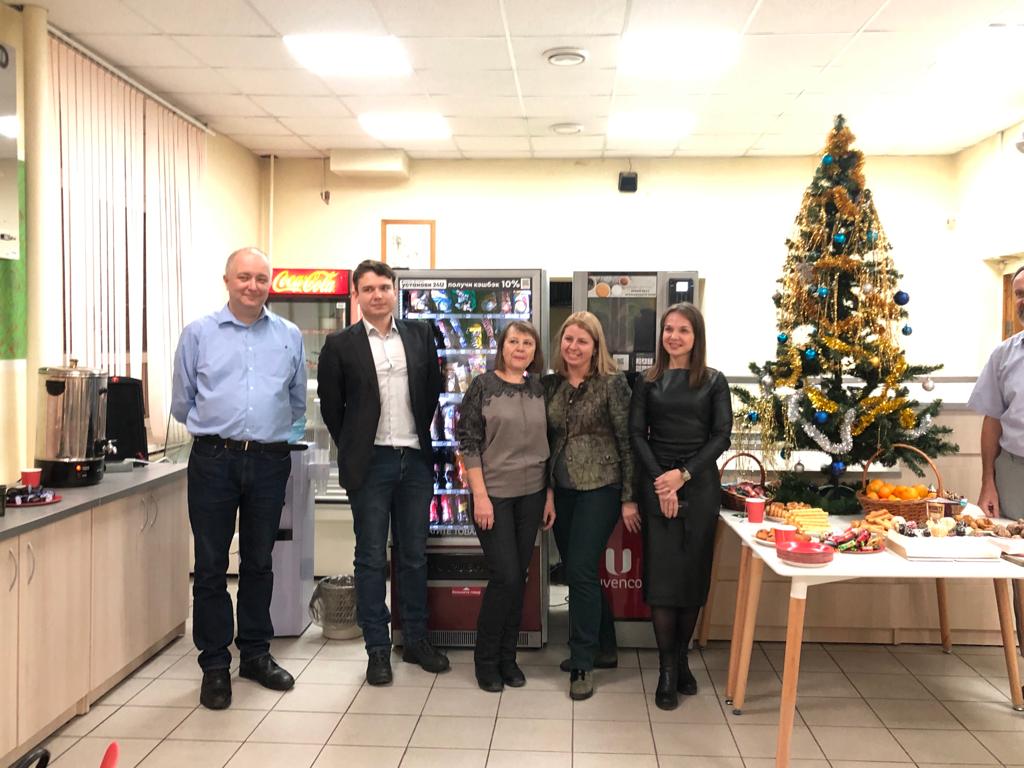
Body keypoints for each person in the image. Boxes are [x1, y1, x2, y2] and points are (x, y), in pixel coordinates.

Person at [170, 246, 305, 710]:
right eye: (244, 277)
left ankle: (255, 654)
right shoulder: (199, 334)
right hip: (214, 459)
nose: (253, 286)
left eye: (261, 278)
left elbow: (296, 400)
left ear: (271, 284)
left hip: (269, 460)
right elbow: (183, 401)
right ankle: (214, 665)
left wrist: (268, 434)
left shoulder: (288, 335)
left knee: (259, 561)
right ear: (227, 280)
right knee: (210, 565)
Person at [317, 259, 449, 685]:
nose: (377, 295)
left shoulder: (420, 334)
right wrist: (356, 445)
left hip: (414, 459)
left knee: (413, 555)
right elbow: (332, 408)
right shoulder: (340, 344)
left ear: (395, 291)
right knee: (371, 557)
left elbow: (431, 392)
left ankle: (415, 639)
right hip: (370, 463)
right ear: (356, 295)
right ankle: (377, 648)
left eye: (384, 287)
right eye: (369, 289)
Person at [629, 302, 732, 710]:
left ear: (696, 336)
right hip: (657, 485)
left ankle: (683, 659)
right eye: (668, 329)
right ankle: (667, 669)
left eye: (683, 330)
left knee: (691, 580)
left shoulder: (714, 381)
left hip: (699, 485)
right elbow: (637, 435)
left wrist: (683, 476)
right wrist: (663, 483)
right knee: (662, 582)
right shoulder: (647, 380)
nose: (673, 336)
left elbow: (721, 436)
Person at [456, 321, 556, 692]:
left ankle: (508, 659)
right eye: (513, 341)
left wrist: (548, 494)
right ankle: (485, 661)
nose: (520, 348)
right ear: (502, 346)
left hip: (532, 495)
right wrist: (480, 496)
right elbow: (468, 442)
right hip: (493, 495)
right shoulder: (483, 385)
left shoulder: (539, 388)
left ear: (534, 351)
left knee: (519, 579)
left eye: (527, 342)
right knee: (506, 577)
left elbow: (551, 443)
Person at [543, 311, 637, 701]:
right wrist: (548, 490)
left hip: (602, 487)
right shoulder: (552, 385)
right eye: (568, 339)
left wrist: (629, 497)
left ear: (596, 347)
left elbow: (627, 440)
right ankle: (606, 646)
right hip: (563, 490)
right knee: (582, 572)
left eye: (582, 340)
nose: (574, 346)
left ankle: (582, 661)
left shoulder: (612, 384)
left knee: (580, 569)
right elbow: (546, 441)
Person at [969, 265, 1024, 520]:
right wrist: (987, 481)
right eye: (1019, 294)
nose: (1023, 300)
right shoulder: (1003, 356)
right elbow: (992, 421)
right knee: (1009, 540)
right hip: (1015, 475)